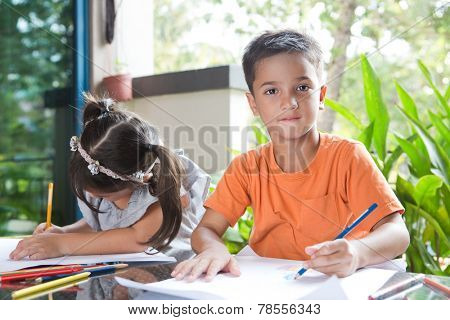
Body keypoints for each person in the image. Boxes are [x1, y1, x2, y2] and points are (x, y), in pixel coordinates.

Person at [172, 30, 409, 281]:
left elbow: (397, 233)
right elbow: (205, 230)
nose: (290, 102)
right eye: (272, 91)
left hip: (339, 281)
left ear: (321, 96)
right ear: (253, 104)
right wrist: (214, 248)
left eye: (302, 87)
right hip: (269, 282)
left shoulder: (348, 156)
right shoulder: (246, 167)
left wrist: (358, 252)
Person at [10, 93, 210, 260]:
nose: (100, 202)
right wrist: (64, 232)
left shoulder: (164, 190)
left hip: (169, 278)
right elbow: (102, 223)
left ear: (138, 180)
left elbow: (136, 238)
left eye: (106, 198)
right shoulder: (110, 191)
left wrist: (62, 244)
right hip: (122, 275)